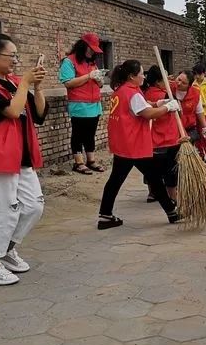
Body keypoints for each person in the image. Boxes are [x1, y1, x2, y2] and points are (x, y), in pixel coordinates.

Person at [97, 60, 182, 230]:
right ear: (132, 76)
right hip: (133, 145)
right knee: (155, 179)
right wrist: (168, 108)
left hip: (123, 143)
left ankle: (105, 216)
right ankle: (172, 212)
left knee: (116, 180)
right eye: (141, 73)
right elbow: (147, 114)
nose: (144, 76)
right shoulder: (132, 93)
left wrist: (158, 103)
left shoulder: (121, 91)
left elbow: (142, 106)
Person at [0, 34, 47, 285]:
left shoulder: (14, 82)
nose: (15, 60)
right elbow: (13, 111)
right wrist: (25, 82)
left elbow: (38, 112)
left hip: (21, 156)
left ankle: (7, 249)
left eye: (16, 55)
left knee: (33, 206)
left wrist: (36, 86)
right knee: (4, 210)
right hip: (0, 157)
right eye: (10, 55)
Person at [58, 33, 105, 175]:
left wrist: (99, 79)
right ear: (83, 46)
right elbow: (68, 82)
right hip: (79, 103)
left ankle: (91, 160)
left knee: (90, 133)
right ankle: (78, 162)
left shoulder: (92, 63)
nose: (93, 52)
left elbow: (100, 85)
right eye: (91, 49)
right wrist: (88, 76)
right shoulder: (69, 61)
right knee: (78, 134)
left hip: (94, 103)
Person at [143, 65, 180, 202]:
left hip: (151, 139)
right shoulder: (166, 95)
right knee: (170, 169)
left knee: (152, 169)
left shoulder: (144, 93)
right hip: (168, 138)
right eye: (165, 78)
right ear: (158, 81)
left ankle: (152, 192)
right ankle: (172, 197)